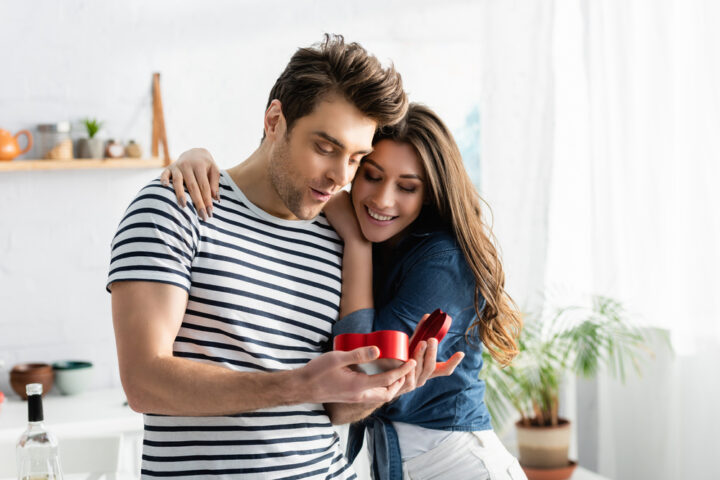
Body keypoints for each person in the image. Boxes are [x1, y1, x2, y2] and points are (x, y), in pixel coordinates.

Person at [108, 35, 433, 479]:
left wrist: (383, 388)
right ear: (275, 120)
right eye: (325, 147)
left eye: (356, 158)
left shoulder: (339, 235)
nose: (340, 177)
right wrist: (296, 385)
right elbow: (144, 383)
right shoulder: (178, 208)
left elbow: (335, 407)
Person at [164, 103, 527, 480]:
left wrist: (356, 243)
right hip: (392, 465)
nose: (383, 200)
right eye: (372, 176)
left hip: (458, 464)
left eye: (407, 187)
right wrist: (198, 159)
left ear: (430, 194)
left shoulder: (441, 258)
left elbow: (362, 366)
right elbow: (268, 175)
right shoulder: (369, 237)